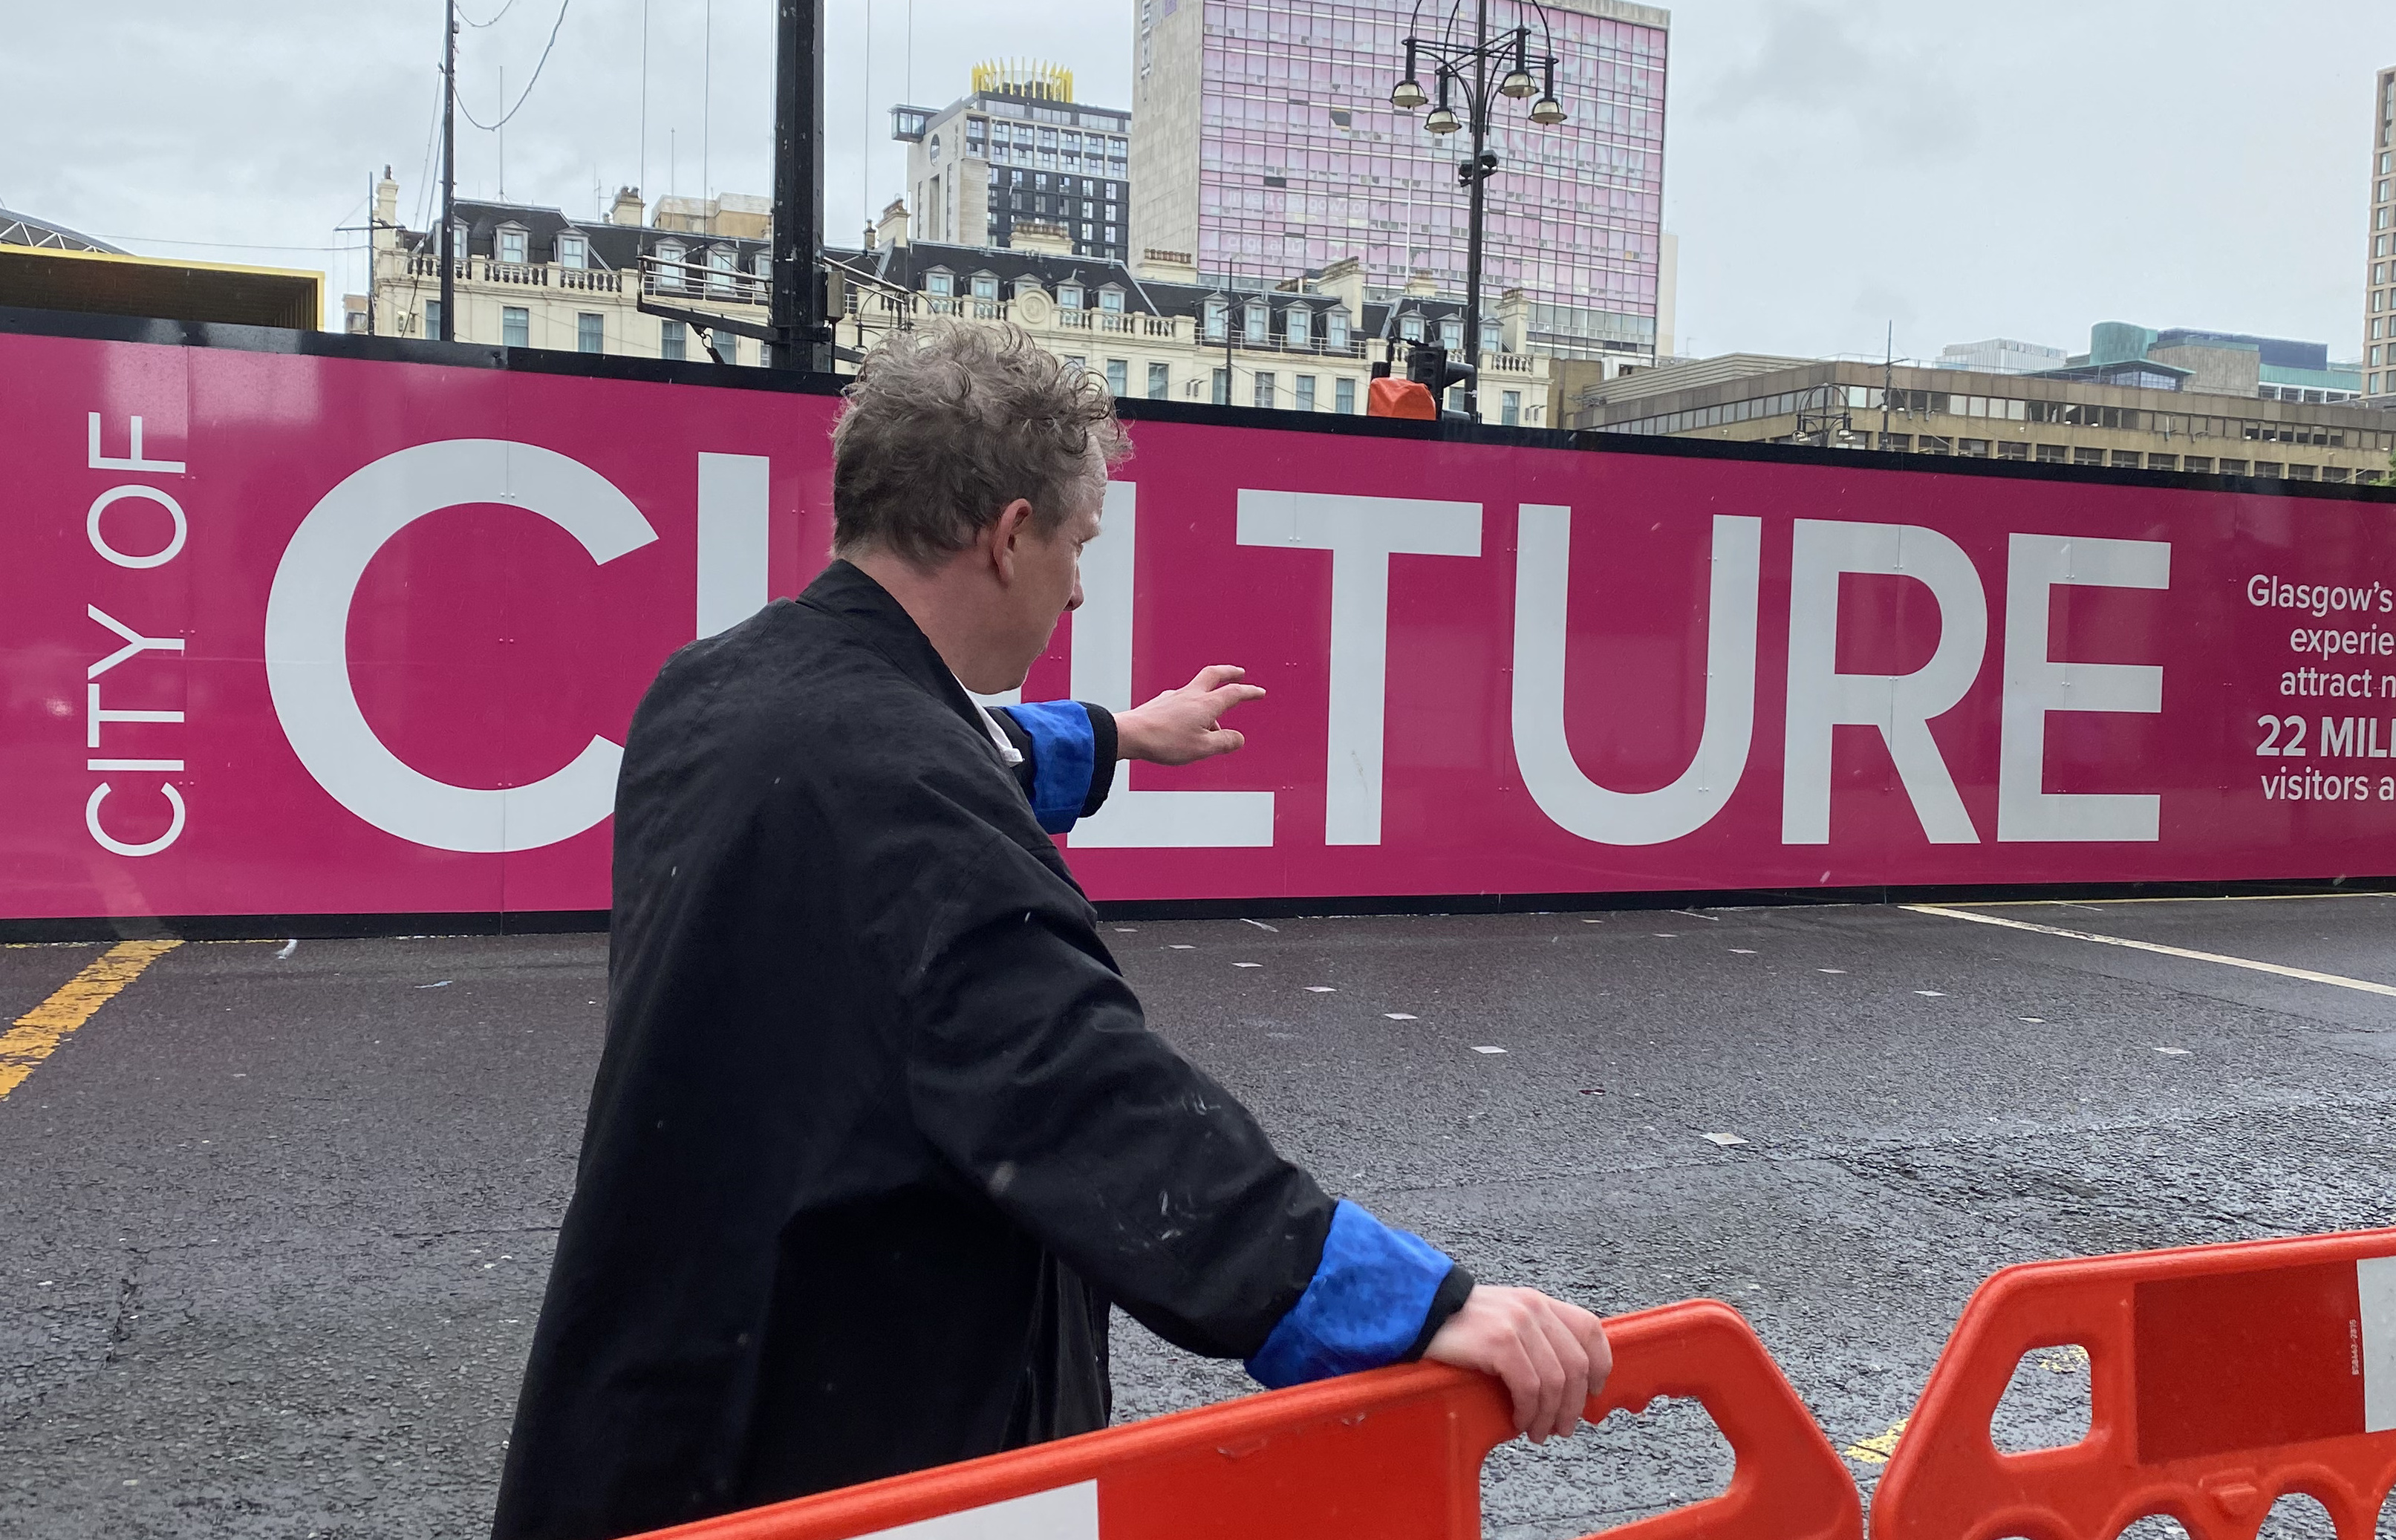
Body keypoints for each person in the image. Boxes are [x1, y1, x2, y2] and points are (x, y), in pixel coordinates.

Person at [489, 324, 1610, 1540]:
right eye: (1076, 544)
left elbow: (950, 750)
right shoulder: (899, 794)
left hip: (655, 1395)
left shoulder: (715, 690)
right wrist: (1396, 1302)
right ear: (1007, 533)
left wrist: (1120, 734)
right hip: (833, 1442)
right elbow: (1073, 1088)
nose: (1078, 585)